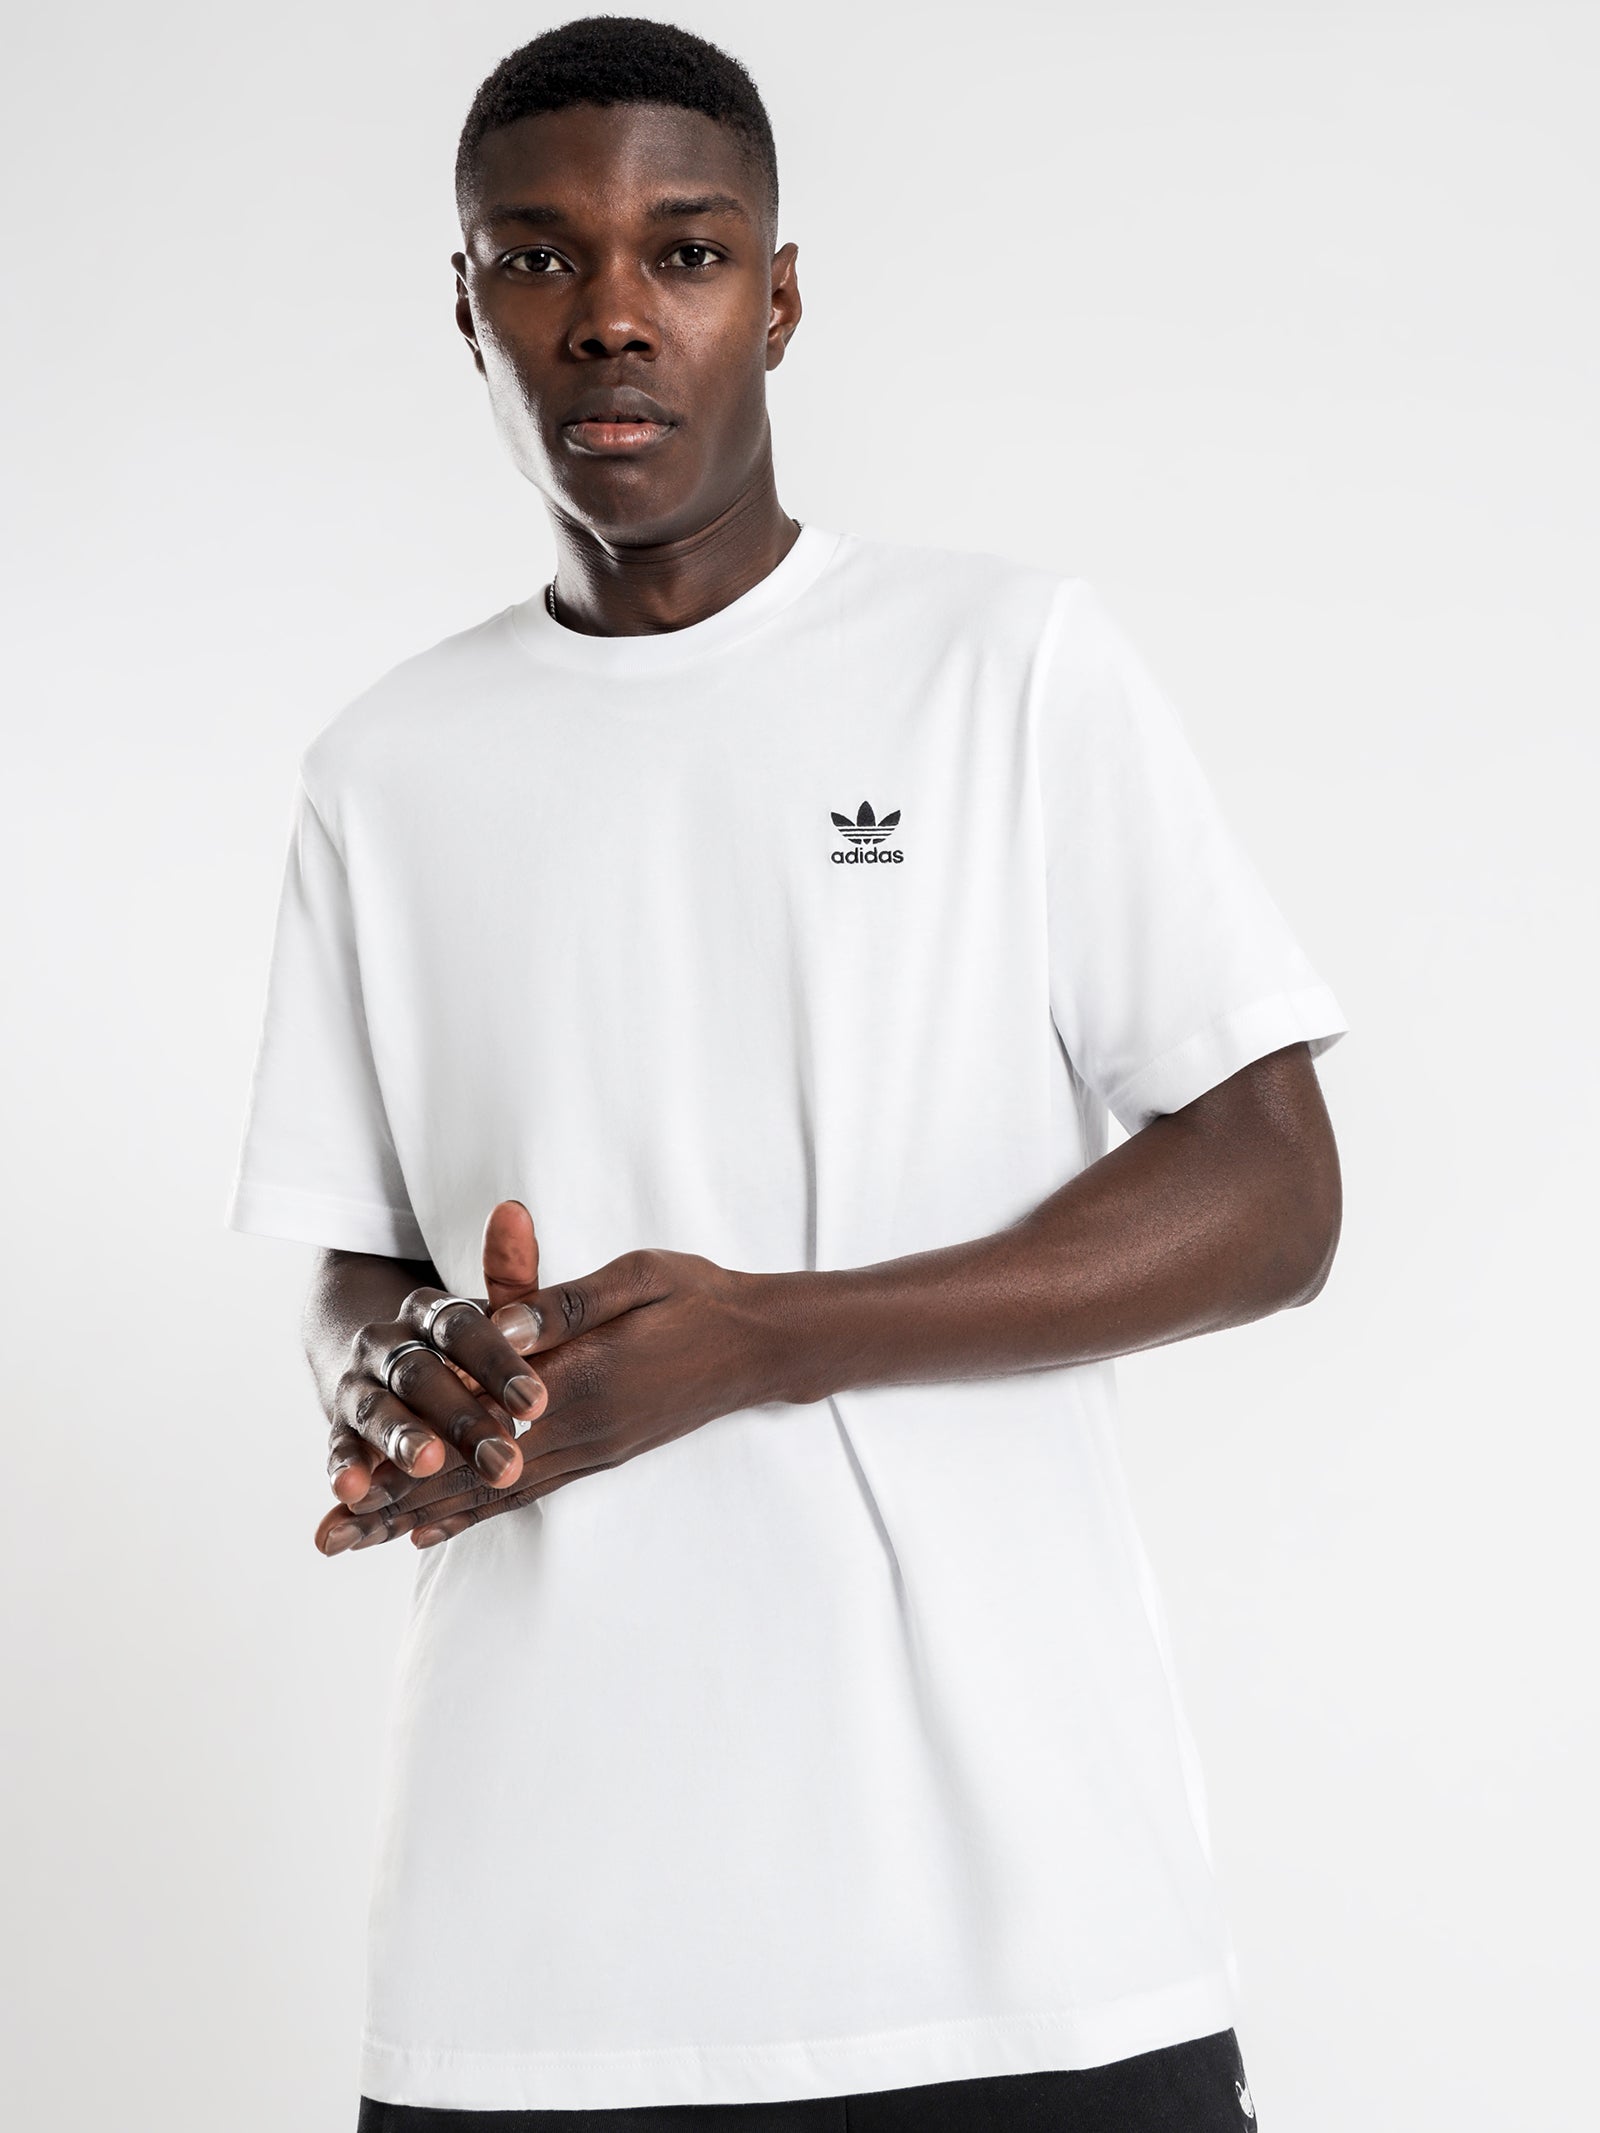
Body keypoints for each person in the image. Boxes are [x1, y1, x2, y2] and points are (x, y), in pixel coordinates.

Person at [226, 16, 1344, 2130]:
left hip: (1020, 1941)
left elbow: (1276, 1191)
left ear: (780, 294)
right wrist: (390, 1372)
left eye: (686, 249)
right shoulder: (385, 767)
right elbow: (352, 1258)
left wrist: (763, 1339)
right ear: (465, 305)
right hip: (532, 1947)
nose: (611, 314)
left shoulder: (1003, 664)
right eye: (538, 259)